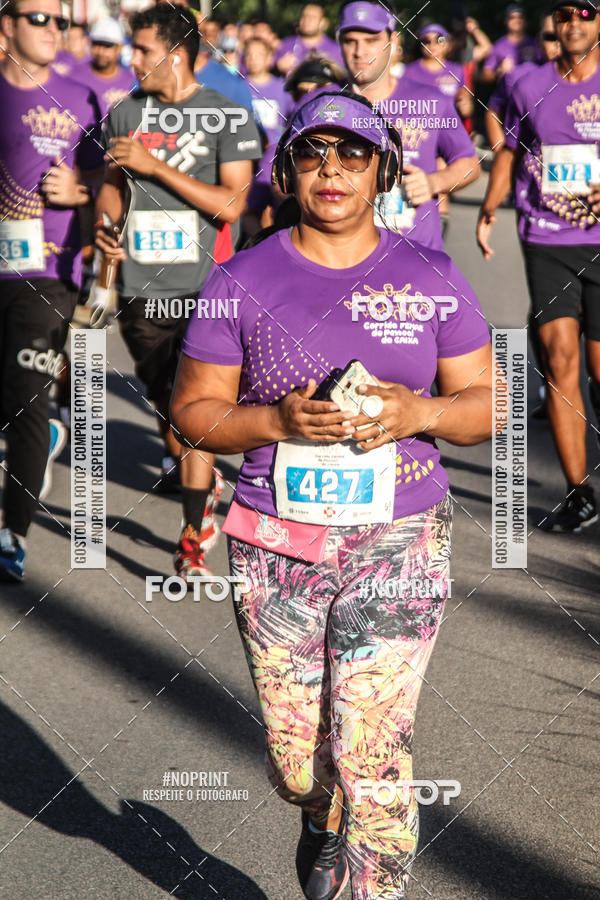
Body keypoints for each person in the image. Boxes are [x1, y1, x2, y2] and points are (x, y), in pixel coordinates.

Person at [171, 89, 493, 900]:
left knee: (373, 751)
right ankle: (318, 816)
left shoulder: (429, 273)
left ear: (381, 167)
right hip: (278, 543)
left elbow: (491, 400)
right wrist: (275, 418)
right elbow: (193, 416)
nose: (332, 169)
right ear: (286, 168)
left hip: (402, 538)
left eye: (353, 152)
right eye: (313, 152)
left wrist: (421, 411)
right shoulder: (240, 280)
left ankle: (369, 873)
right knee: (297, 761)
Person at [94, 5, 261, 578]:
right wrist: (105, 234)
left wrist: (158, 167)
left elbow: (233, 204)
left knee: (196, 417)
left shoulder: (228, 115)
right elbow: (112, 190)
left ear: (176, 53)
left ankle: (191, 540)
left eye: (141, 50)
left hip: (206, 288)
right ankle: (203, 494)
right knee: (173, 414)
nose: (131, 59)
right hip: (141, 290)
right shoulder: (125, 113)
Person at [477, 0, 600, 532]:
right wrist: (488, 206)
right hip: (546, 238)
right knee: (559, 358)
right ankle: (580, 495)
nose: (574, 23)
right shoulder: (528, 85)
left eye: (586, 13)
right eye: (565, 14)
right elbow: (509, 149)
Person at [0, 0, 102, 582]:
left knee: (26, 401)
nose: (53, 29)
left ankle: (12, 534)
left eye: (61, 20)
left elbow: (112, 181)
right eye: (39, 17)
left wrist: (83, 191)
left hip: (47, 275)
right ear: (7, 24)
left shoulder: (83, 97)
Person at [338, 0, 480, 250]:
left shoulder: (430, 101)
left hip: (417, 256)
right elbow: (279, 178)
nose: (359, 52)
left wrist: (434, 182)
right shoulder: (322, 106)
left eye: (371, 40)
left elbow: (469, 163)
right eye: (350, 40)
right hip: (343, 258)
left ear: (392, 41)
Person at [486, 15, 561, 153]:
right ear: (539, 40)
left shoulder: (593, 79)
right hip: (528, 170)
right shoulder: (518, 77)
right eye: (551, 37)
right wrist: (503, 153)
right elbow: (493, 112)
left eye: (563, 36)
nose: (558, 43)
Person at [243, 37, 293, 232]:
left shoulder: (282, 88)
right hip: (247, 159)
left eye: (259, 55)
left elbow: (291, 120)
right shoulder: (239, 88)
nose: (254, 59)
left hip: (273, 160)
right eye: (249, 55)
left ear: (269, 59)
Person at [405, 24, 473, 120]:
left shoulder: (457, 70)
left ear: (448, 43)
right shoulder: (409, 71)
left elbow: (466, 103)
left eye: (439, 39)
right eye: (426, 41)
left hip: (449, 127)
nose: (432, 45)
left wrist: (466, 106)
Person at [73, 18, 134, 120]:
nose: (100, 51)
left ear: (119, 48)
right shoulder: (74, 77)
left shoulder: (132, 83)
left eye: (107, 46)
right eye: (96, 44)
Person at [273, 3, 343, 75]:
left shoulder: (336, 50)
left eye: (312, 17)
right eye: (304, 16)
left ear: (323, 22)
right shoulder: (285, 45)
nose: (307, 20)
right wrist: (277, 67)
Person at [482, 3, 538, 84]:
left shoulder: (534, 43)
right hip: (507, 94)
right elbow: (484, 75)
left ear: (525, 20)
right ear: (506, 21)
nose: (517, 20)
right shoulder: (498, 46)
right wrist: (499, 71)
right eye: (512, 17)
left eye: (520, 17)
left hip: (533, 92)